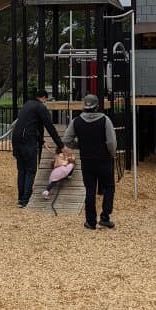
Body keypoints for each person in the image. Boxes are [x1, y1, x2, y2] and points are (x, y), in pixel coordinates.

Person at [61, 93, 117, 230]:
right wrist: (112, 153)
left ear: (84, 106)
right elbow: (111, 142)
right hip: (104, 159)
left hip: (87, 160)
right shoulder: (105, 120)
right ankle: (105, 217)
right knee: (109, 187)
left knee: (90, 190)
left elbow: (66, 140)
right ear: (97, 106)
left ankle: (90, 221)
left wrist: (80, 145)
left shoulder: (77, 121)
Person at [11, 89, 65, 207]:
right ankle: (26, 199)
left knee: (22, 169)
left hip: (16, 139)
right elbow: (49, 127)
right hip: (27, 140)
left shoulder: (27, 105)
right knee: (30, 170)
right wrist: (61, 145)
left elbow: (32, 125)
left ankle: (20, 198)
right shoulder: (40, 107)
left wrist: (41, 141)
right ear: (44, 98)